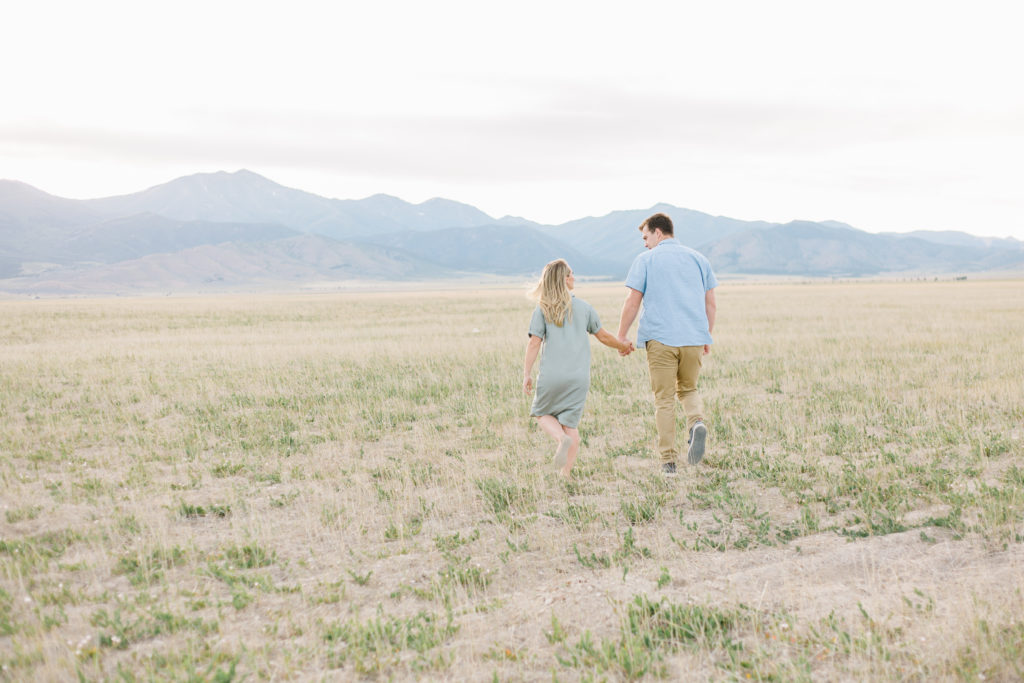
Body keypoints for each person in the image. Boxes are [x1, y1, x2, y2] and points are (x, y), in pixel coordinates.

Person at [616, 213, 718, 475]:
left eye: (646, 236)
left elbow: (632, 301)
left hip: (661, 339)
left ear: (658, 233)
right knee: (689, 389)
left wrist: (622, 335)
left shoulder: (646, 260)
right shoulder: (699, 259)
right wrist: (706, 334)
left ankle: (668, 462)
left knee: (664, 399)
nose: (644, 242)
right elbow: (711, 304)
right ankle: (696, 423)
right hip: (694, 337)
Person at [523, 259, 633, 476]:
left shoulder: (542, 309)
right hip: (578, 378)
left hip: (551, 376)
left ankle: (559, 439)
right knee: (570, 425)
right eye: (570, 274)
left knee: (542, 413)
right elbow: (603, 336)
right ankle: (566, 475)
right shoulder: (585, 308)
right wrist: (623, 346)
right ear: (563, 279)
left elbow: (534, 343)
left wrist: (527, 373)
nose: (574, 277)